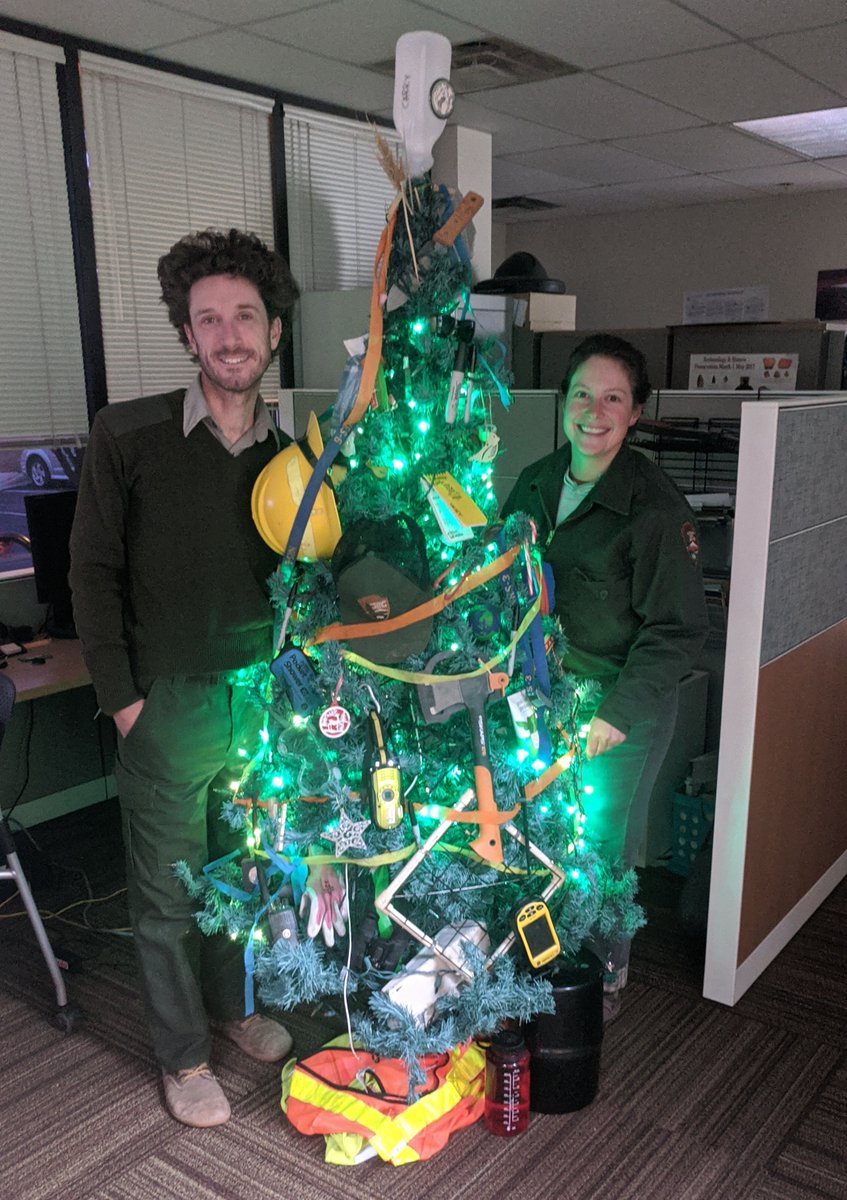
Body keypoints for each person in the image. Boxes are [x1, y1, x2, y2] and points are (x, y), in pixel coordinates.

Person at [69, 229, 300, 1127]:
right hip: (167, 706)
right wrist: (125, 701)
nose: (230, 334)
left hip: (260, 701)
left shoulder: (294, 456)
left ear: (273, 330)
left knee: (242, 878)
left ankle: (232, 1010)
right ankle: (181, 1055)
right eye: (210, 319)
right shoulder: (128, 437)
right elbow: (92, 575)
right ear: (189, 336)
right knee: (167, 894)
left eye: (246, 315)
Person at [502, 334, 709, 1011]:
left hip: (618, 702)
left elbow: (676, 631)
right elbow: (504, 575)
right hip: (541, 694)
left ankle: (603, 975)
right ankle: (543, 958)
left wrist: (616, 714)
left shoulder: (652, 507)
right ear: (564, 401)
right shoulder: (536, 479)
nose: (594, 412)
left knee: (598, 845)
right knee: (546, 836)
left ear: (636, 411)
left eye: (612, 398)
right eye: (582, 395)